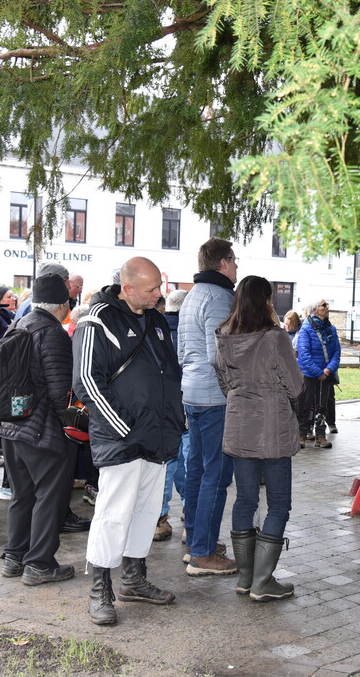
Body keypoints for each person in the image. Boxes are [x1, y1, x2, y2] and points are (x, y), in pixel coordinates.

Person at [75, 257, 185, 625]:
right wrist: (123, 427)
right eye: (153, 288)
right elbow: (88, 381)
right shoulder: (99, 319)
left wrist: (174, 419)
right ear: (128, 288)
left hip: (157, 434)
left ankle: (134, 578)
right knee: (113, 513)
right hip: (122, 437)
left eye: (160, 286)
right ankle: (99, 587)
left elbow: (168, 371)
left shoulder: (154, 318)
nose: (160, 294)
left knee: (146, 510)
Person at [0, 274, 77, 585]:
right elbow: (61, 389)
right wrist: (72, 427)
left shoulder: (20, 323)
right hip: (41, 429)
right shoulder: (52, 332)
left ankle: (15, 557)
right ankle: (39, 564)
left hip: (11, 425)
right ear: (63, 305)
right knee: (50, 496)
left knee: (22, 494)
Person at [215, 276, 304, 601]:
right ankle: (263, 582)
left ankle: (246, 577)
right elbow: (295, 386)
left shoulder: (224, 336)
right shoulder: (274, 337)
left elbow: (225, 383)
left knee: (245, 500)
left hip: (239, 426)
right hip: (273, 429)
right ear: (265, 300)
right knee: (279, 503)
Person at [178, 238, 239, 576]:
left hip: (192, 392)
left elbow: (182, 350)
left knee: (199, 472)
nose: (236, 268)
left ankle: (197, 543)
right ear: (224, 263)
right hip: (215, 397)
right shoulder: (219, 297)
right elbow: (220, 354)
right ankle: (203, 552)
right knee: (215, 476)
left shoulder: (192, 295)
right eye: (235, 261)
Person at [156, 288, 189, 542]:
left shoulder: (154, 330)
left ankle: (159, 519)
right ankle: (191, 518)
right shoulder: (190, 332)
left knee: (166, 464)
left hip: (162, 410)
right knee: (188, 462)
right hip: (187, 406)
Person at [296, 298, 341, 448]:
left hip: (326, 374)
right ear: (315, 309)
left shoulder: (331, 329)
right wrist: (318, 372)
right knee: (305, 404)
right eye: (324, 305)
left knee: (322, 406)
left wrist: (328, 370)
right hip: (309, 374)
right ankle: (301, 435)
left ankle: (320, 436)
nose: (327, 307)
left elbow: (336, 352)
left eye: (327, 305)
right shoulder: (306, 328)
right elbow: (304, 354)